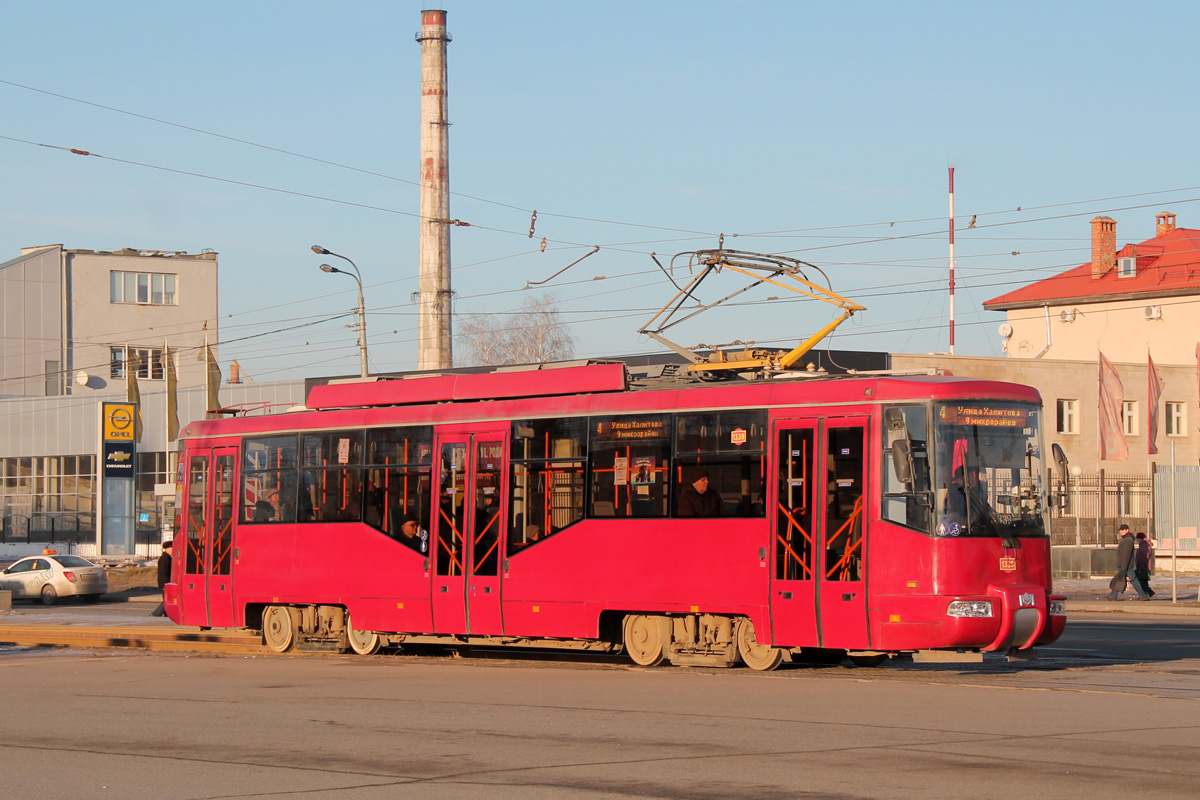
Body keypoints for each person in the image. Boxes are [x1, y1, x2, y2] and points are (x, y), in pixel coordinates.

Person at [1108, 523, 1148, 600]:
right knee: (1121, 579)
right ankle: (1113, 595)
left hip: (1126, 565)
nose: (1121, 531)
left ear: (1127, 530)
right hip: (1124, 564)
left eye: (1123, 530)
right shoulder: (1126, 539)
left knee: (1132, 579)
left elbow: (1126, 554)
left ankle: (1143, 595)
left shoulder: (1128, 540)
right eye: (1120, 530)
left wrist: (1124, 566)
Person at [149, 540, 173, 617]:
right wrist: (167, 584)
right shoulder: (165, 558)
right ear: (168, 548)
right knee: (168, 600)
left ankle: (167, 614)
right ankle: (156, 613)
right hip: (165, 583)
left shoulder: (167, 557)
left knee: (167, 599)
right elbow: (163, 572)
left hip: (165, 583)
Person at [1135, 532, 1156, 599]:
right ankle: (1146, 594)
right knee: (1143, 581)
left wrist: (1141, 564)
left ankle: (1148, 593)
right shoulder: (1145, 545)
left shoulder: (1144, 545)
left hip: (1143, 566)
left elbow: (1144, 556)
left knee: (1141, 581)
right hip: (1145, 566)